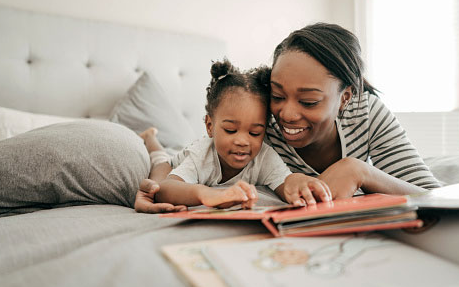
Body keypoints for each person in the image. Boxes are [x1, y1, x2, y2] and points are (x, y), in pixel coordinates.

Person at [136, 23, 441, 213]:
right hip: (182, 154)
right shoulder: (257, 125)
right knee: (164, 154)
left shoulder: (368, 113)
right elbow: (198, 170)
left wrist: (361, 172)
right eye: (277, 96)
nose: (287, 114)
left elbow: (437, 198)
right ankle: (151, 139)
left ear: (345, 98)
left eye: (308, 100)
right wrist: (155, 188)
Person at [134, 59, 332, 213]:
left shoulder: (264, 156)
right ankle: (151, 138)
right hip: (174, 162)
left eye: (255, 133)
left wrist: (298, 181)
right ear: (210, 126)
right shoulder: (201, 155)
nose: (242, 141)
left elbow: (285, 182)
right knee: (159, 169)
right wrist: (206, 194)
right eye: (230, 130)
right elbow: (167, 188)